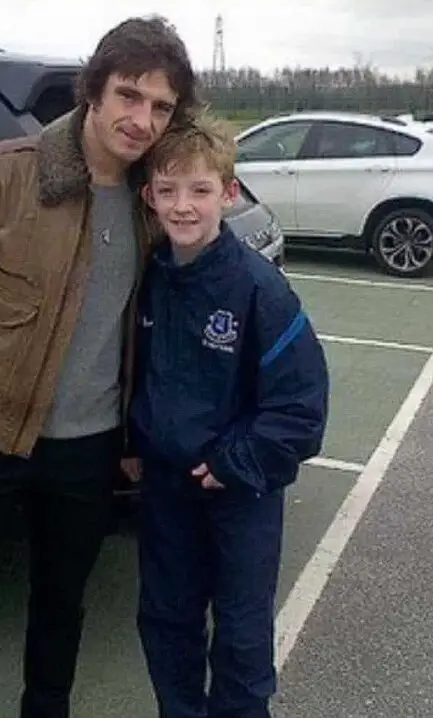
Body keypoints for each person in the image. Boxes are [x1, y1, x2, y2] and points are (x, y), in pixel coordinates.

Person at [0, 16, 197, 718]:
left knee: (63, 604)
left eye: (160, 107)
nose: (141, 119)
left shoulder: (155, 199)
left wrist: (139, 442)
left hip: (89, 450)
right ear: (93, 89)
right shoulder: (5, 171)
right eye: (128, 94)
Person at [128, 110, 330, 718]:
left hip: (239, 491)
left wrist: (233, 463)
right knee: (167, 622)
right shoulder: (151, 279)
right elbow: (140, 376)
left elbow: (300, 409)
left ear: (229, 192)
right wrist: (134, 444)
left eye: (199, 189)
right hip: (166, 490)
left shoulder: (259, 289)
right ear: (149, 197)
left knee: (241, 639)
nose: (183, 206)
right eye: (168, 191)